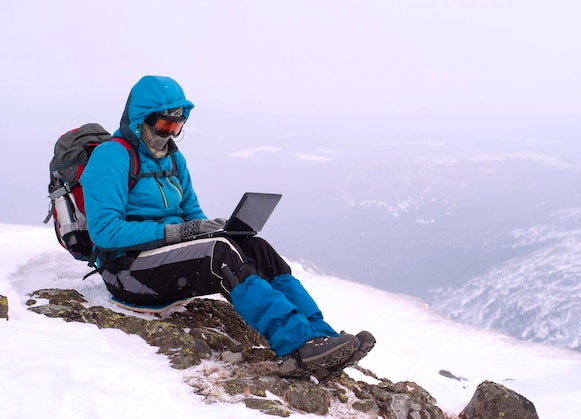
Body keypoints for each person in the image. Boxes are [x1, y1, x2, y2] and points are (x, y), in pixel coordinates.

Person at [80, 75, 375, 378]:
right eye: (164, 126)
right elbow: (106, 232)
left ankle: (320, 337)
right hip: (126, 271)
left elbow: (192, 213)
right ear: (141, 119)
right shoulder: (111, 157)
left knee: (256, 248)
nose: (169, 135)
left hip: (161, 260)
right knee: (221, 254)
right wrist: (177, 233)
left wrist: (213, 228)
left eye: (177, 127)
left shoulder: (173, 160)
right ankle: (297, 346)